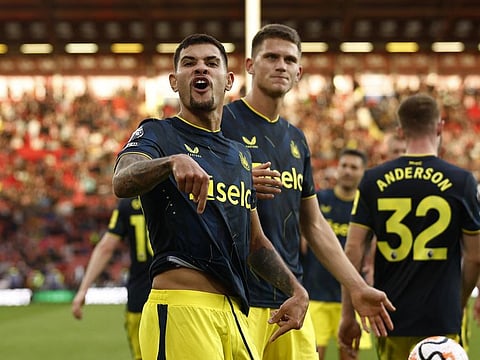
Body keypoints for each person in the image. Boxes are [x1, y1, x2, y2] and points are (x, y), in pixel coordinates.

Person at [112, 33, 311, 360]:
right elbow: (122, 179)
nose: (200, 69)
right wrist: (170, 162)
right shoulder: (158, 134)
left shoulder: (241, 156)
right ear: (175, 81)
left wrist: (296, 290)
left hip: (235, 313)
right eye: (189, 64)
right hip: (182, 308)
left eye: (211, 63)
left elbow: (256, 244)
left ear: (229, 80)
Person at [221, 23, 394, 360]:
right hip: (235, 299)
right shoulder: (222, 123)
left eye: (288, 60)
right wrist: (234, 180)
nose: (280, 65)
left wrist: (357, 287)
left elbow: (313, 225)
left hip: (292, 303)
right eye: (270, 57)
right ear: (250, 66)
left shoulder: (297, 140)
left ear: (299, 72)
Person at [338, 93, 480, 360]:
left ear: (400, 131)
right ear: (439, 126)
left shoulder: (372, 180)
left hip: (390, 317)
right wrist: (457, 303)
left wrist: (348, 313)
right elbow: (474, 256)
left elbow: (353, 249)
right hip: (442, 317)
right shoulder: (462, 181)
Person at [302, 148, 369, 360]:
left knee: (349, 355)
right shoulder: (319, 200)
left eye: (354, 167)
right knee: (313, 355)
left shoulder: (366, 206)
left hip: (351, 296)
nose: (348, 171)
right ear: (337, 168)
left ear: (362, 172)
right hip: (316, 294)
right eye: (344, 166)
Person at [72, 197, 152, 360]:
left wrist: (83, 290)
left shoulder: (128, 203)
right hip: (175, 293)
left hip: (140, 297)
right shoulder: (176, 194)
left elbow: (106, 247)